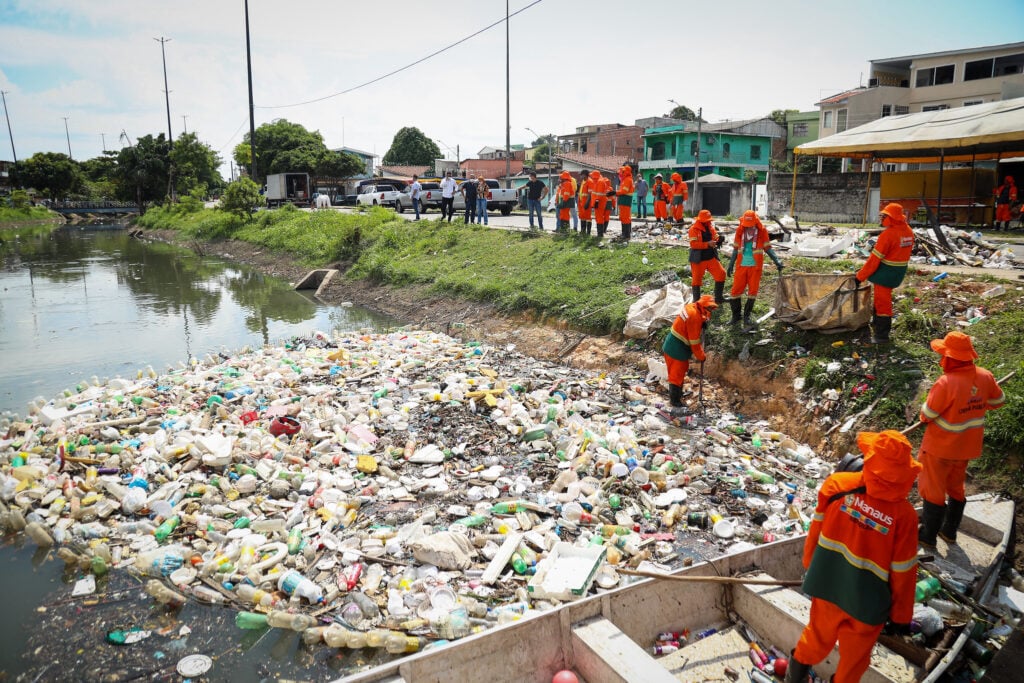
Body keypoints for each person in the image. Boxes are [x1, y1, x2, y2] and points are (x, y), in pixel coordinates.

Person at [787, 430, 922, 683]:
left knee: (815, 638)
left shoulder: (837, 485)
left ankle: (793, 679)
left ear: (869, 460)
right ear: (904, 472)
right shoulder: (905, 516)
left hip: (828, 589)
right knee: (854, 660)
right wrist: (901, 618)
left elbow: (815, 531)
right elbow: (904, 571)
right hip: (867, 604)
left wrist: (810, 568)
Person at [916, 331, 1004, 548]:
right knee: (956, 487)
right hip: (966, 447)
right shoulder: (985, 376)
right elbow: (998, 400)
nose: (941, 359)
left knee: (933, 489)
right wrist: (976, 400)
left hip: (940, 448)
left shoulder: (946, 383)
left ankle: (927, 536)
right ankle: (949, 532)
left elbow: (927, 414)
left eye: (943, 354)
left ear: (950, 357)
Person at [855, 202, 914, 344]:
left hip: (886, 274)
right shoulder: (908, 231)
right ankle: (876, 324)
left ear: (892, 217)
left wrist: (859, 277)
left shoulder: (888, 235)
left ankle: (881, 335)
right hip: (898, 272)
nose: (881, 218)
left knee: (883, 304)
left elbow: (873, 261)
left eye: (884, 216)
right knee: (881, 300)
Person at [661, 295, 717, 415]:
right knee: (676, 375)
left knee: (680, 372)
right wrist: (701, 356)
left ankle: (678, 395)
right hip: (675, 348)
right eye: (709, 308)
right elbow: (694, 342)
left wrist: (703, 321)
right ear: (703, 306)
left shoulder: (692, 307)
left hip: (675, 345)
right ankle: (675, 401)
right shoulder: (694, 316)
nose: (711, 311)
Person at [726, 210, 783, 327]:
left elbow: (768, 248)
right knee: (735, 291)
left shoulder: (762, 231)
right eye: (746, 225)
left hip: (755, 267)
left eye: (750, 224)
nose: (748, 227)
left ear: (755, 222)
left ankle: (746, 316)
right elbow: (736, 249)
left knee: (752, 292)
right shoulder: (740, 231)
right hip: (741, 266)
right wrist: (731, 264)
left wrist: (777, 260)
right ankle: (736, 316)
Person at [688, 209, 727, 306]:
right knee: (696, 280)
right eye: (707, 220)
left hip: (710, 257)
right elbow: (693, 244)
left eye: (709, 220)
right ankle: (696, 301)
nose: (709, 222)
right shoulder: (693, 229)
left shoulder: (710, 227)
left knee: (721, 273)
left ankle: (718, 298)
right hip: (698, 259)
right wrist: (707, 244)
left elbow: (715, 236)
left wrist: (719, 239)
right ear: (701, 221)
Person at [590, 171, 613, 238]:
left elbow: (599, 194)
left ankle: (600, 234)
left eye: (592, 176)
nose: (591, 177)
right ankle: (600, 233)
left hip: (599, 203)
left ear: (595, 176)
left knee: (599, 218)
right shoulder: (599, 181)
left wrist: (596, 201)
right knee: (599, 217)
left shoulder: (600, 182)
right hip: (599, 202)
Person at [615, 165, 635, 241]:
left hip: (625, 201)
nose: (621, 174)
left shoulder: (628, 180)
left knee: (625, 218)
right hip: (623, 201)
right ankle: (625, 234)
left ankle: (626, 234)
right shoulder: (625, 180)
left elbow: (624, 191)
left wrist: (615, 192)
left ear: (626, 172)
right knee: (624, 217)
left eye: (622, 172)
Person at [578, 170, 594, 236]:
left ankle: (588, 233)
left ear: (584, 175)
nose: (580, 176)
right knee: (582, 216)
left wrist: (587, 203)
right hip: (581, 202)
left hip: (586, 202)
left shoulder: (589, 181)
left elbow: (590, 194)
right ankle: (583, 231)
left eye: (581, 175)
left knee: (588, 218)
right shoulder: (583, 181)